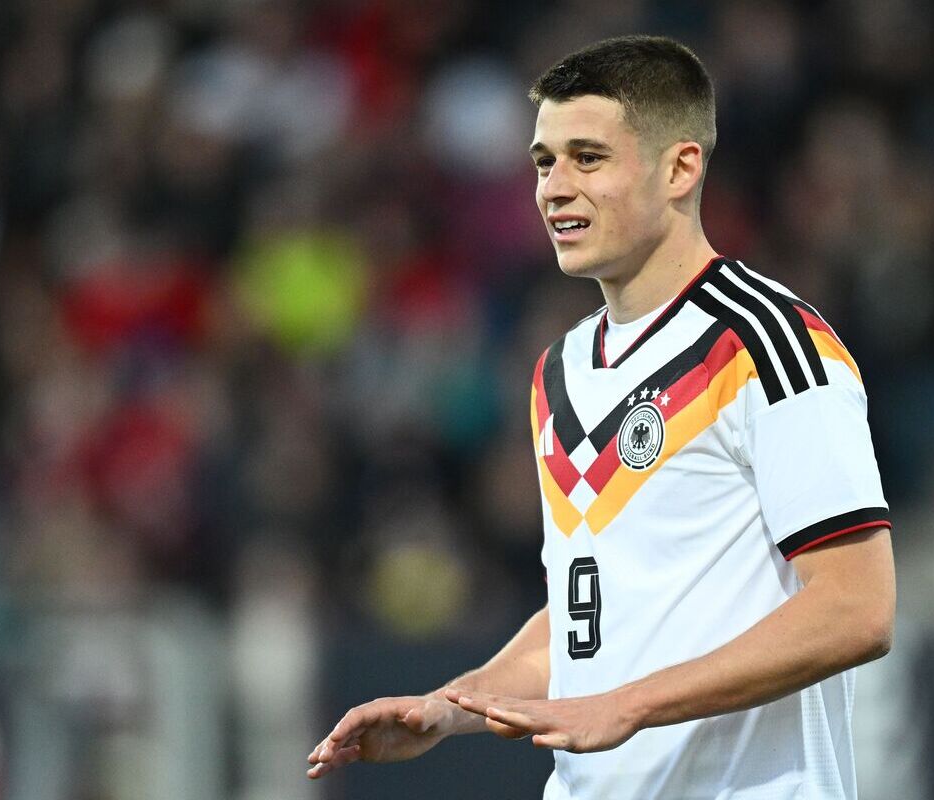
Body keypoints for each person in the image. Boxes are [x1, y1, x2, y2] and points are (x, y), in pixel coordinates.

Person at [307, 35, 895, 800]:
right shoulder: (561, 369)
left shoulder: (771, 344)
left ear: (680, 167)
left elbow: (856, 608)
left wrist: (631, 705)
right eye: (544, 161)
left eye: (588, 157)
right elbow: (594, 608)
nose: (554, 188)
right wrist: (449, 708)